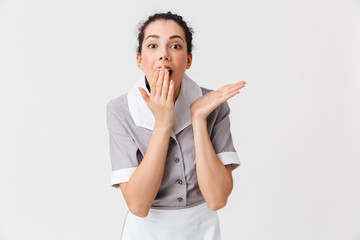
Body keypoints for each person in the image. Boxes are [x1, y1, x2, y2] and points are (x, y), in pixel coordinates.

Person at [106, 11, 246, 240]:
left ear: (188, 59)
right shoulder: (120, 110)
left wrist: (198, 118)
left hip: (202, 229)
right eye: (153, 46)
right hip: (146, 231)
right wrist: (163, 123)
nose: (163, 55)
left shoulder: (213, 104)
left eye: (175, 46)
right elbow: (138, 206)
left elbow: (217, 199)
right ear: (139, 59)